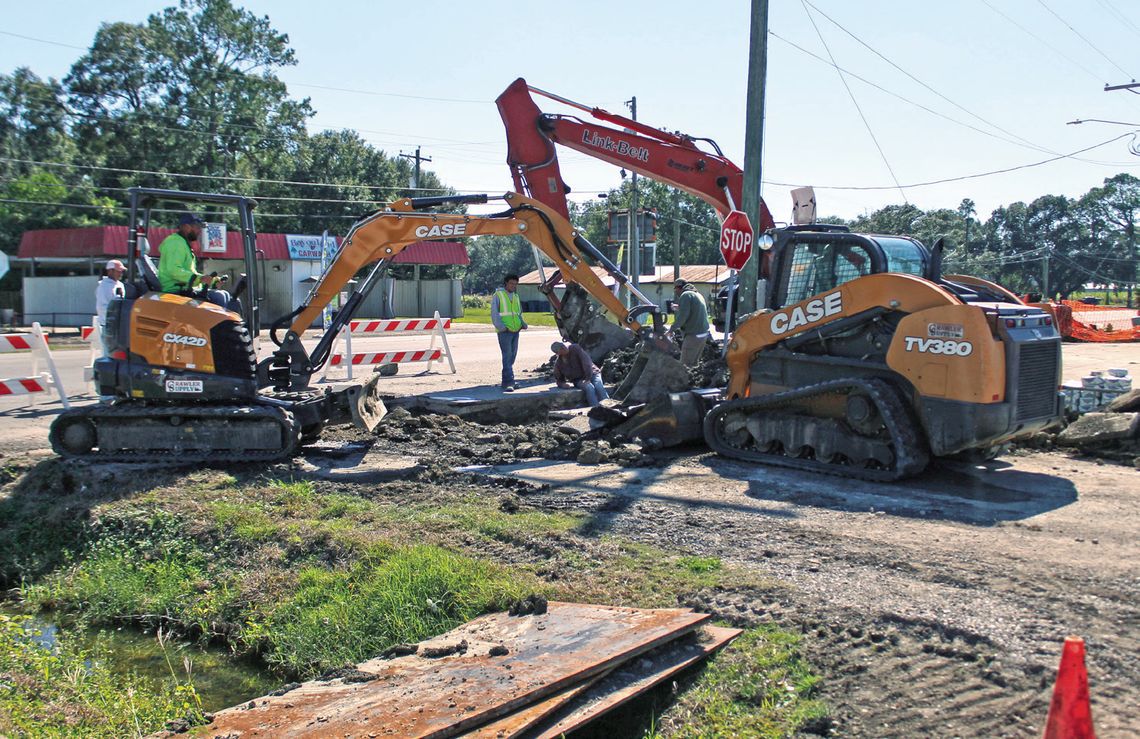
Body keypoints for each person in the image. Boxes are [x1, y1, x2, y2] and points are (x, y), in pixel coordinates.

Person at [157, 212, 235, 310]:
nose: (199, 231)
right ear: (186, 226)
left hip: (184, 288)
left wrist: (213, 281)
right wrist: (200, 279)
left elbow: (190, 273)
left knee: (225, 295)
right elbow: (174, 270)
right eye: (197, 227)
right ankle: (222, 325)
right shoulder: (175, 243)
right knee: (219, 297)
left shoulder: (182, 243)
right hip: (174, 290)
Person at [491, 273, 528, 391]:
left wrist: (522, 323)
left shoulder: (516, 296)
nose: (513, 286)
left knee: (512, 356)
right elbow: (494, 314)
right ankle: (508, 382)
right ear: (506, 283)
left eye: (515, 284)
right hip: (505, 331)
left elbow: (518, 313)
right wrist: (502, 327)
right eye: (511, 283)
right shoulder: (498, 295)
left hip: (515, 330)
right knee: (507, 356)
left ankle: (508, 380)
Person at [551, 340, 609, 407]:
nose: (564, 348)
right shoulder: (559, 364)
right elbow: (559, 379)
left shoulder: (575, 348)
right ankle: (595, 408)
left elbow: (587, 363)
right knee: (589, 387)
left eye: (563, 346)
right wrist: (562, 384)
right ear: (558, 353)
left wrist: (587, 378)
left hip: (592, 373)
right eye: (561, 348)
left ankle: (609, 407)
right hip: (578, 379)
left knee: (598, 385)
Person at [671, 278, 711, 367]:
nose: (675, 291)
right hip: (703, 334)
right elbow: (693, 310)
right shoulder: (697, 294)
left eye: (675, 289)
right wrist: (679, 307)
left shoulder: (685, 295)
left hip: (693, 335)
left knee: (684, 366)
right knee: (693, 365)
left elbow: (682, 317)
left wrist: (671, 330)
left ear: (678, 288)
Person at [94, 259, 125, 357]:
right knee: (110, 354)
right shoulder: (103, 287)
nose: (121, 273)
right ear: (110, 271)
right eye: (118, 271)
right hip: (109, 327)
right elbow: (102, 308)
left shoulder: (120, 285)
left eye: (121, 271)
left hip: (120, 326)